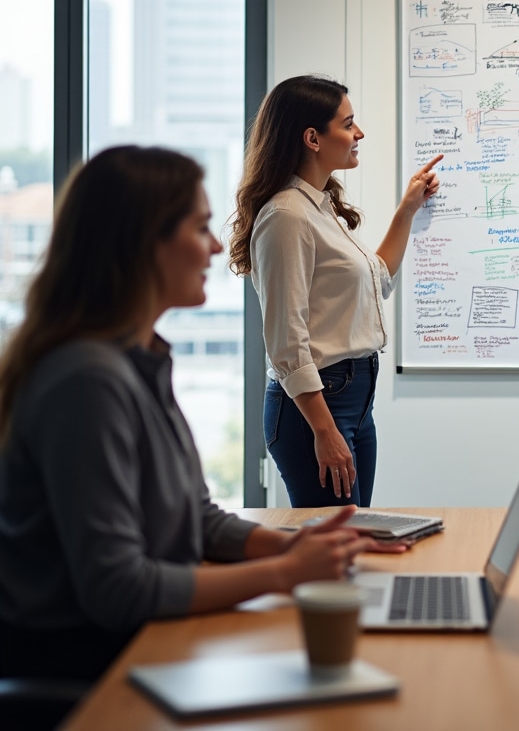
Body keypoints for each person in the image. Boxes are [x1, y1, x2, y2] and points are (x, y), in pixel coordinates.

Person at [0, 146, 401, 685]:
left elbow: (198, 518)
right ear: (141, 246)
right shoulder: (86, 380)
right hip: (91, 674)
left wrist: (300, 546)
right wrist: (282, 573)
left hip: (146, 643)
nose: (216, 246)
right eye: (199, 229)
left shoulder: (139, 360)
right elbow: (118, 589)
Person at [229, 75, 441, 507]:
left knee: (354, 542)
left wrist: (407, 209)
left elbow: (377, 278)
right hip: (317, 408)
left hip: (356, 402)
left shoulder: (319, 208)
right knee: (336, 555)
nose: (358, 134)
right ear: (312, 138)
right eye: (348, 124)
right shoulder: (286, 216)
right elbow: (286, 341)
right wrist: (324, 431)